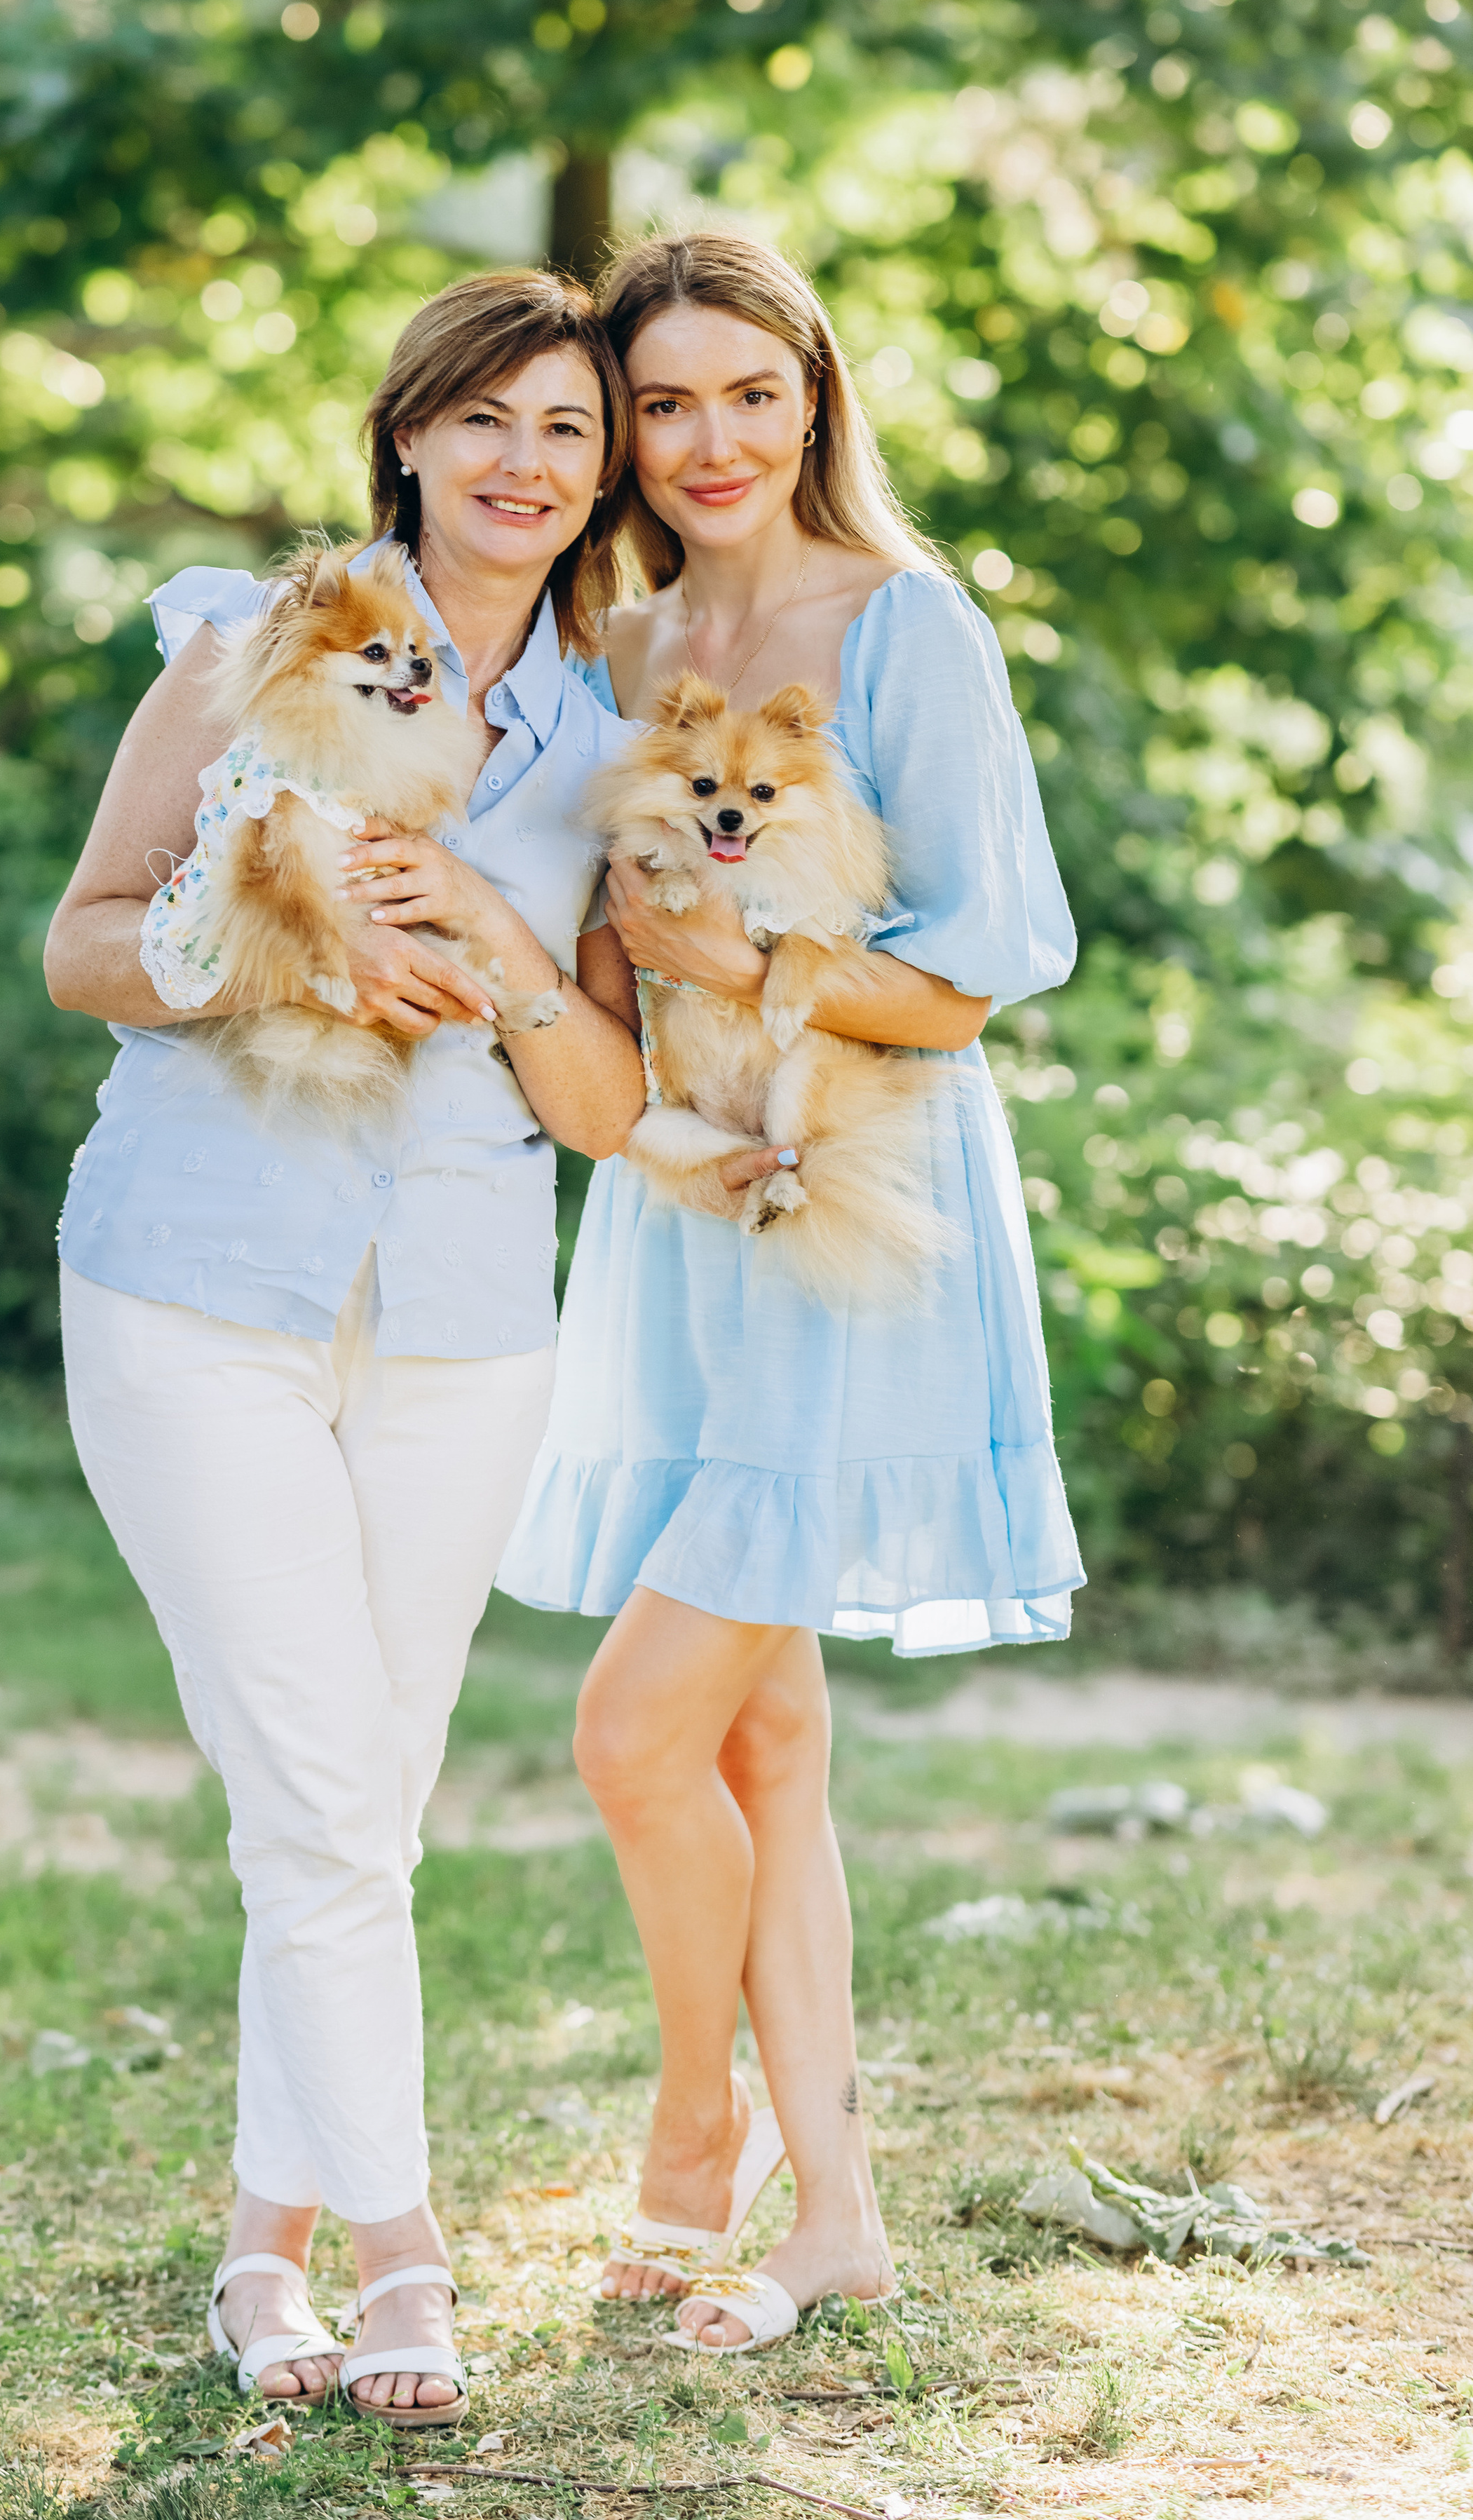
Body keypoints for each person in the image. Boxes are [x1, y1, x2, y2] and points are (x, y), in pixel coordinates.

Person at [43, 269, 646, 2425]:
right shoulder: (247, 639)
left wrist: (490, 945)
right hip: (196, 1276)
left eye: (566, 431)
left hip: (472, 1311)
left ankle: (257, 2253)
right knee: (318, 1791)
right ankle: (404, 2256)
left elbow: (602, 1105)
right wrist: (260, 964)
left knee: (357, 1806)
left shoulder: (614, 727)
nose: (520, 464)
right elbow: (85, 935)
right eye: (480, 420)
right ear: (408, 436)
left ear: (604, 474)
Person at [498, 232, 1082, 2355]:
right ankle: (838, 2212)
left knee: (631, 1730)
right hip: (684, 1208)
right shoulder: (624, 633)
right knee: (757, 1738)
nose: (711, 439)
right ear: (626, 433)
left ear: (818, 396)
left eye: (753, 391)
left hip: (853, 1207)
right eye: (667, 404)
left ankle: (697, 2134)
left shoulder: (904, 626)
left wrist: (746, 968)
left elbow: (989, 969)